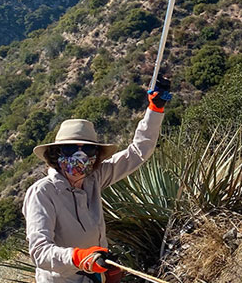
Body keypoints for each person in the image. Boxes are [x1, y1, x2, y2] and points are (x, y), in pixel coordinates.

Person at [22, 80, 171, 282]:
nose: (79, 155)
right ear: (56, 154)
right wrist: (78, 257)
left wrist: (155, 109)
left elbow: (137, 152)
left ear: (96, 155)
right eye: (70, 148)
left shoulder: (94, 179)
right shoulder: (43, 193)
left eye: (88, 149)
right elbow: (40, 252)